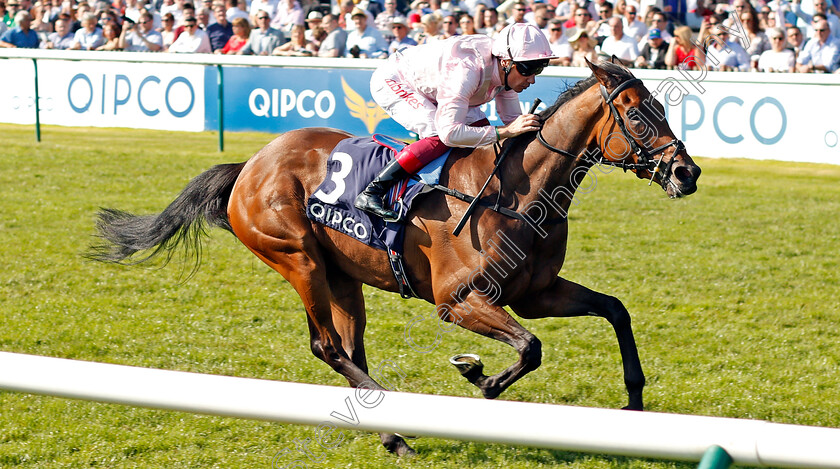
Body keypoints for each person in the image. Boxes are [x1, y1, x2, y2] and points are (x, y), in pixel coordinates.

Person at [355, 23, 556, 220]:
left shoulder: (507, 72)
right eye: (528, 69)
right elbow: (449, 133)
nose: (532, 79)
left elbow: (513, 122)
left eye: (539, 69)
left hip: (438, 87)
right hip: (396, 80)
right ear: (505, 62)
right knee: (438, 135)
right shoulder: (466, 70)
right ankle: (372, 191)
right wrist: (504, 131)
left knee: (480, 132)